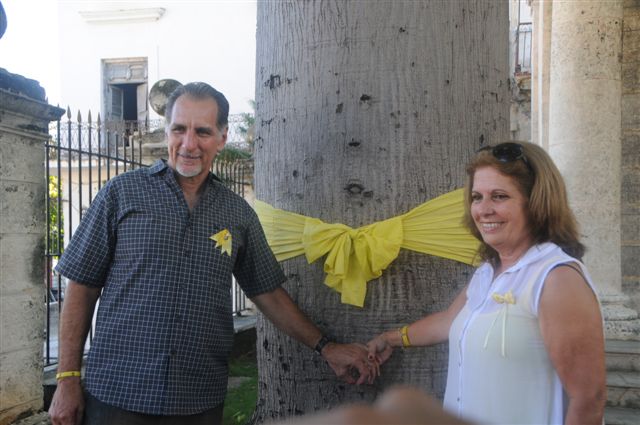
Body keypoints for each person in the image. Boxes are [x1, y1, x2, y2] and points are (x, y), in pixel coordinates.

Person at [48, 82, 377, 425]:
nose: (189, 144)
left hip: (198, 400)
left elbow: (267, 292)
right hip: (117, 395)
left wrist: (327, 347)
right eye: (179, 129)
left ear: (221, 138)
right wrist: (67, 379)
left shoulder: (238, 214)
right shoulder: (121, 194)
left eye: (202, 132)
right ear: (167, 131)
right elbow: (82, 286)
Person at [367, 142, 606, 425]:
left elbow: (589, 398)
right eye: (477, 197)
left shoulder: (555, 279)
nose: (483, 209)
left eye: (500, 196)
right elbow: (449, 322)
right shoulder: (487, 272)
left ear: (537, 203)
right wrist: (390, 338)